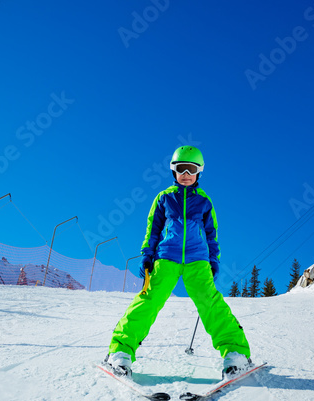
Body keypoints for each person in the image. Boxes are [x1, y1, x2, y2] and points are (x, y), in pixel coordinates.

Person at [105, 146, 252, 379]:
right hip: (166, 257)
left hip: (198, 259)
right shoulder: (164, 198)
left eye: (191, 169)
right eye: (180, 168)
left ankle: (236, 353)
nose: (186, 173)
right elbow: (153, 229)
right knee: (149, 299)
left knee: (210, 302)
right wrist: (147, 254)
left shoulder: (204, 201)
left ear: (198, 172)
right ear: (173, 171)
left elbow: (212, 234)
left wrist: (214, 260)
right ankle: (120, 351)